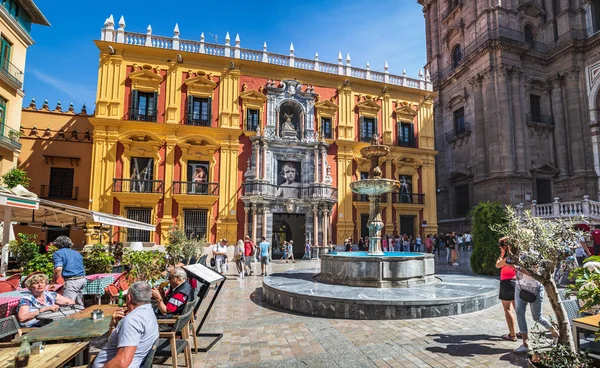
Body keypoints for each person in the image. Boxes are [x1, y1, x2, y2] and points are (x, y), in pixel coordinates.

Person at [93, 282, 159, 368]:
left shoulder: (132, 320)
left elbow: (122, 362)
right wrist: (113, 325)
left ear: (129, 298)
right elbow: (115, 344)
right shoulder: (149, 312)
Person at [513, 266, 560, 354]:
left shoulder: (539, 253)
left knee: (537, 317)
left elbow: (534, 272)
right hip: (520, 286)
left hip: (535, 289)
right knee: (519, 313)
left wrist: (518, 268)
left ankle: (554, 332)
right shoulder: (518, 252)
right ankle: (525, 344)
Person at [495, 238, 519, 342]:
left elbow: (497, 265)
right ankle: (522, 332)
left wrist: (502, 253)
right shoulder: (518, 257)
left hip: (507, 283)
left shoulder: (507, 259)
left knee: (508, 309)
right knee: (518, 310)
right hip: (516, 282)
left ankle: (512, 335)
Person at [52, 236, 86, 307]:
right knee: (79, 305)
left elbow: (58, 269)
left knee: (67, 305)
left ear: (57, 244)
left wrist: (54, 280)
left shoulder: (58, 253)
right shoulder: (77, 253)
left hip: (72, 281)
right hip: (82, 279)